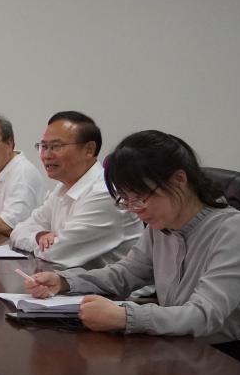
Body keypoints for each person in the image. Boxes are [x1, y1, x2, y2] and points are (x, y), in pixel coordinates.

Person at [24, 130, 240, 374]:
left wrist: (126, 317)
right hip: (186, 345)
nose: (135, 209)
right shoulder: (162, 225)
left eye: (141, 197)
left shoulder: (237, 229)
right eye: (126, 200)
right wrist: (64, 281)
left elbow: (204, 315)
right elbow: (124, 274)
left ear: (179, 179)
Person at [9, 111, 142, 268]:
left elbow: (56, 253)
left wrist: (43, 241)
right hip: (73, 278)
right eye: (43, 147)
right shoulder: (63, 187)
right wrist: (39, 236)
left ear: (89, 150)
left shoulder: (105, 193)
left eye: (56, 146)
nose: (46, 155)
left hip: (111, 284)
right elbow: (18, 231)